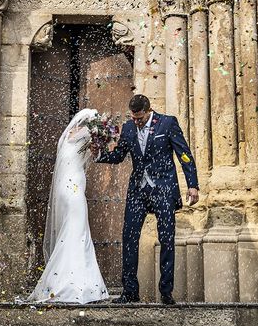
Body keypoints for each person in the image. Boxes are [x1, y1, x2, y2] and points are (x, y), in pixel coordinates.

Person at [93, 94, 199, 304]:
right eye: (134, 118)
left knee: (167, 239)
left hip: (164, 190)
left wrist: (193, 185)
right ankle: (130, 291)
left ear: (149, 111)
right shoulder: (129, 128)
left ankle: (166, 292)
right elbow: (119, 155)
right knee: (129, 237)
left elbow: (184, 154)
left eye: (140, 118)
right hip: (138, 192)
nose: (136, 122)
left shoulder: (167, 123)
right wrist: (99, 154)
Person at [28, 108, 108, 304]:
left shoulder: (68, 136)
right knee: (78, 232)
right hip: (73, 187)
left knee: (73, 230)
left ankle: (62, 281)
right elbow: (99, 140)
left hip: (66, 186)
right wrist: (103, 129)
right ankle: (77, 284)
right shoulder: (89, 132)